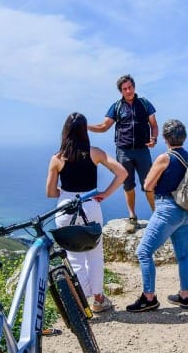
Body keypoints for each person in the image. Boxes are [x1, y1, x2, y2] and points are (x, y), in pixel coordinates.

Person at [46, 112, 128, 313]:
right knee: (94, 253)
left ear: (65, 132)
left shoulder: (57, 158)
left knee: (74, 257)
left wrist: (65, 194)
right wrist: (105, 194)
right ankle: (98, 299)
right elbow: (122, 173)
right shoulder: (96, 153)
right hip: (90, 205)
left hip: (66, 207)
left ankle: (80, 303)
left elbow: (50, 192)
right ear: (84, 131)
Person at [126, 119, 188, 312]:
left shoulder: (164, 158)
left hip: (168, 209)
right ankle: (184, 296)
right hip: (187, 211)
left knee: (144, 252)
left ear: (165, 138)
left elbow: (147, 185)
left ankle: (149, 297)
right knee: (183, 255)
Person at [88, 74, 158, 233]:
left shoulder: (145, 104)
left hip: (142, 151)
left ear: (134, 87)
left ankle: (157, 215)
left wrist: (154, 138)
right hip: (123, 151)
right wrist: (85, 126)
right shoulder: (116, 107)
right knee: (128, 185)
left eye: (130, 87)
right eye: (124, 89)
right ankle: (132, 217)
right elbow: (104, 126)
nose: (128, 91)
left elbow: (154, 125)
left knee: (149, 184)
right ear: (121, 91)